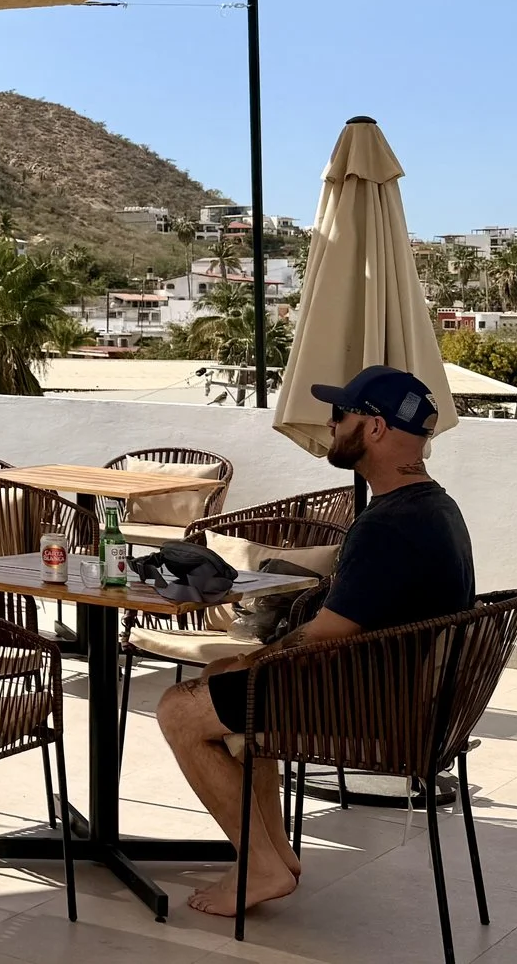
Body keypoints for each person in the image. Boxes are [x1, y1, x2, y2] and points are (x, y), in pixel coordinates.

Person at [157, 364, 475, 918]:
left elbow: (329, 632)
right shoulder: (434, 507)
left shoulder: (387, 525)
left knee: (178, 709)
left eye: (340, 415)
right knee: (225, 686)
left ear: (373, 427)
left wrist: (254, 659)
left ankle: (263, 865)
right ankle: (273, 854)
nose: (330, 425)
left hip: (367, 706)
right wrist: (245, 663)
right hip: (402, 692)